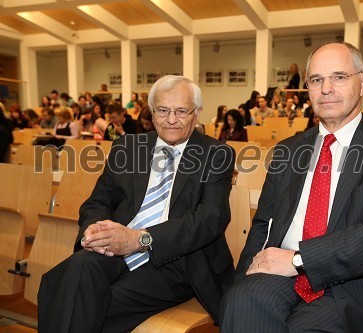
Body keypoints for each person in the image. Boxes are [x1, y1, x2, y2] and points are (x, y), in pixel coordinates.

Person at [221, 42, 363, 333]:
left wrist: (300, 260)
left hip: (356, 283)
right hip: (282, 274)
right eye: (316, 80)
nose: (326, 88)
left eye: (339, 77)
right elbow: (263, 224)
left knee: (306, 328)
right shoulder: (287, 151)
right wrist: (245, 276)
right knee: (240, 303)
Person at [38, 75, 236, 332]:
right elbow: (98, 202)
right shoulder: (128, 147)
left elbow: (211, 218)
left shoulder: (216, 154)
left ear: (197, 114)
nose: (171, 119)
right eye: (163, 110)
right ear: (152, 113)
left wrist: (140, 239)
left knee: (84, 301)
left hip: (176, 262)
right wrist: (93, 230)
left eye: (182, 111)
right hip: (116, 248)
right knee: (73, 271)